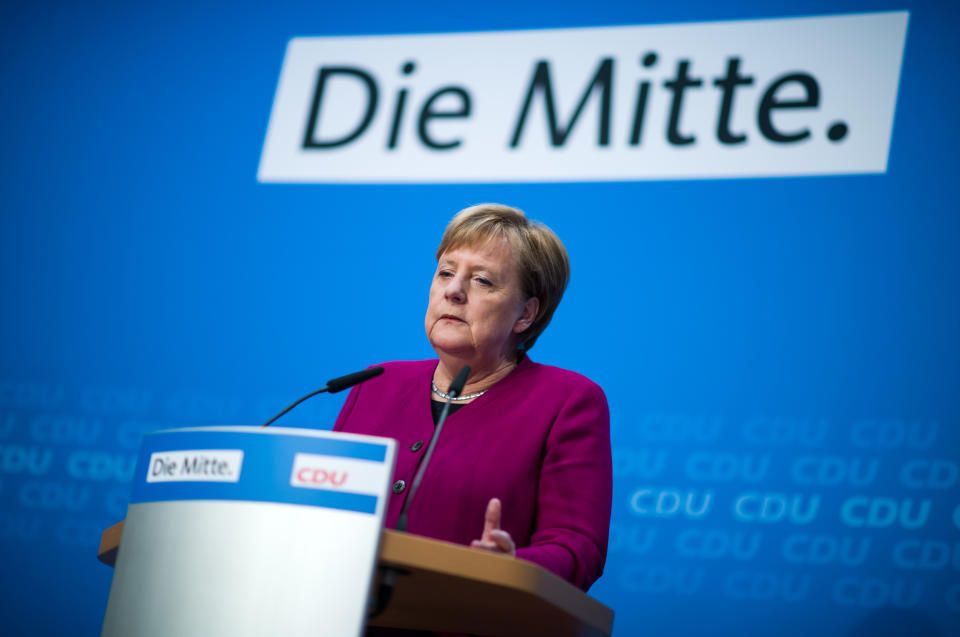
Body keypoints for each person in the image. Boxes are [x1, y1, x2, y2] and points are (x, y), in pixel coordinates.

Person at [334, 203, 612, 591]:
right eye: (446, 273)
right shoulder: (375, 383)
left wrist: (510, 566)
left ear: (525, 314)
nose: (453, 291)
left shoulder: (566, 402)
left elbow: (576, 548)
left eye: (482, 281)